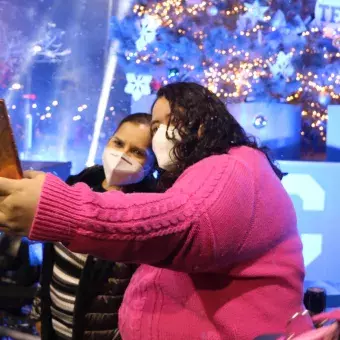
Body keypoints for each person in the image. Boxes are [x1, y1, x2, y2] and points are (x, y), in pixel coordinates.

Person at [0, 82, 312, 339]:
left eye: (163, 123)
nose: (159, 133)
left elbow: (182, 224)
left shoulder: (229, 166)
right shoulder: (209, 171)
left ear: (199, 123)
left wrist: (57, 209)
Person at [29, 113, 157, 340]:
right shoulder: (74, 188)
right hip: (55, 328)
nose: (122, 155)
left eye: (137, 152)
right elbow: (50, 261)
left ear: (151, 166)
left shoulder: (150, 215)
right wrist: (40, 314)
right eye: (118, 143)